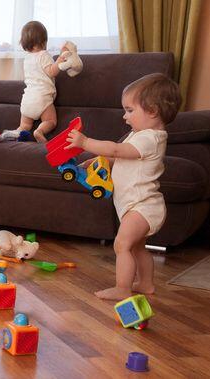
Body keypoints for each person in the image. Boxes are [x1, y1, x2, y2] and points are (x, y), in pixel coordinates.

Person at [65, 73, 182, 300]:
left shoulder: (151, 138)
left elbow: (117, 150)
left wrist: (86, 143)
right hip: (136, 205)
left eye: (129, 110)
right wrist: (98, 162)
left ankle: (122, 288)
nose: (124, 116)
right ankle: (146, 284)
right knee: (138, 248)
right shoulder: (138, 135)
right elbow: (121, 157)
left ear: (152, 111)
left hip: (143, 206)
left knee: (122, 244)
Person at [16, 21, 68, 143]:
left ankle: (14, 134)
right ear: (43, 41)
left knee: (24, 126)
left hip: (27, 100)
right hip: (41, 97)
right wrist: (60, 59)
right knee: (50, 121)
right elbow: (51, 71)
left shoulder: (27, 58)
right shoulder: (43, 55)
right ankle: (39, 131)